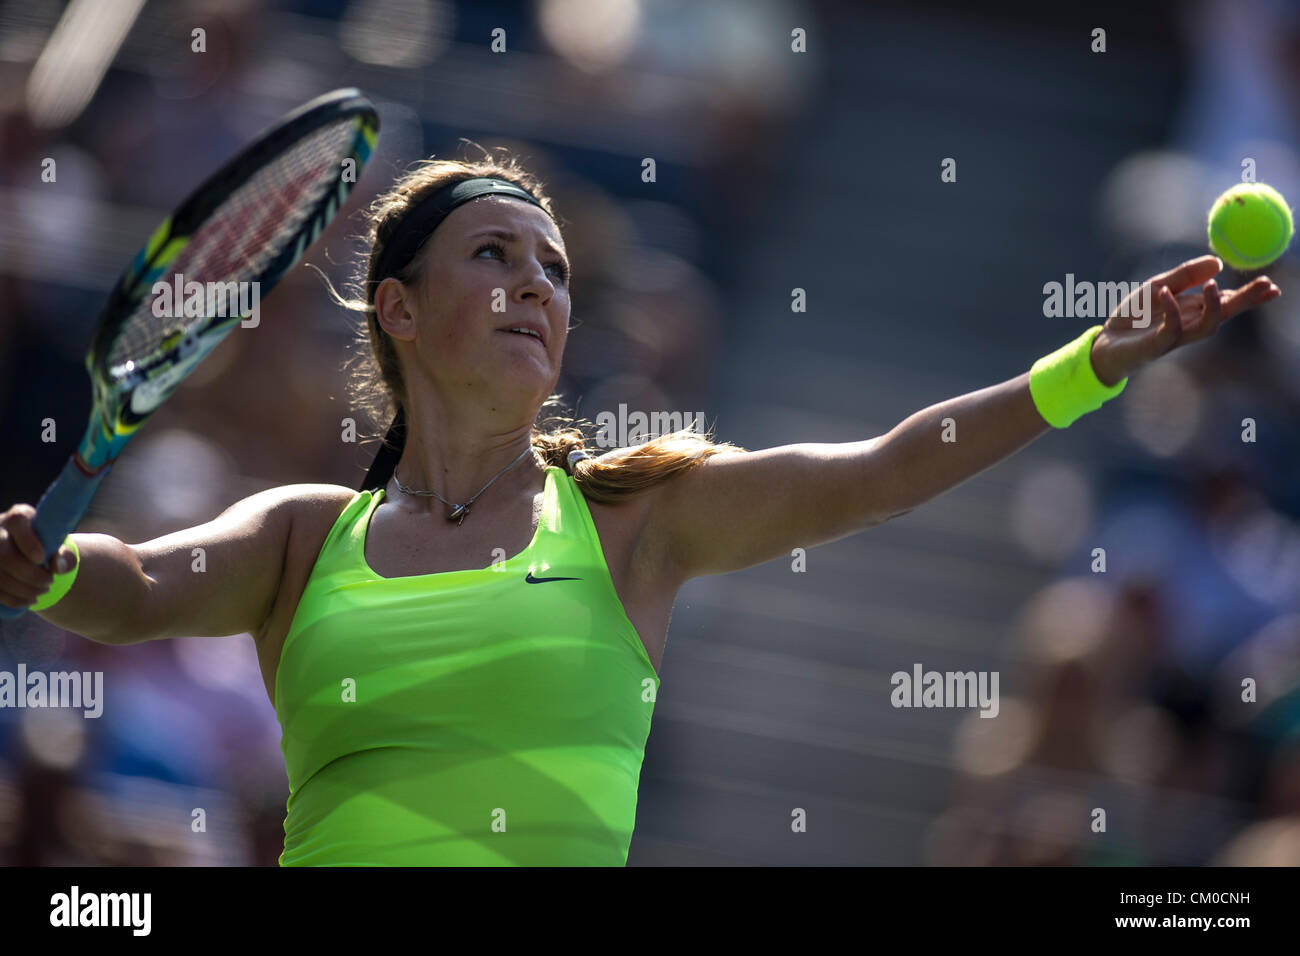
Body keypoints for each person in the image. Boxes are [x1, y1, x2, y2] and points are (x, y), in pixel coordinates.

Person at [0, 150, 1281, 865]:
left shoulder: (635, 516)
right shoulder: (297, 535)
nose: (535, 287)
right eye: (492, 255)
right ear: (396, 309)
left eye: (553, 271)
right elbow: (139, 586)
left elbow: (887, 465)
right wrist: (47, 567)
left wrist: (1091, 361)